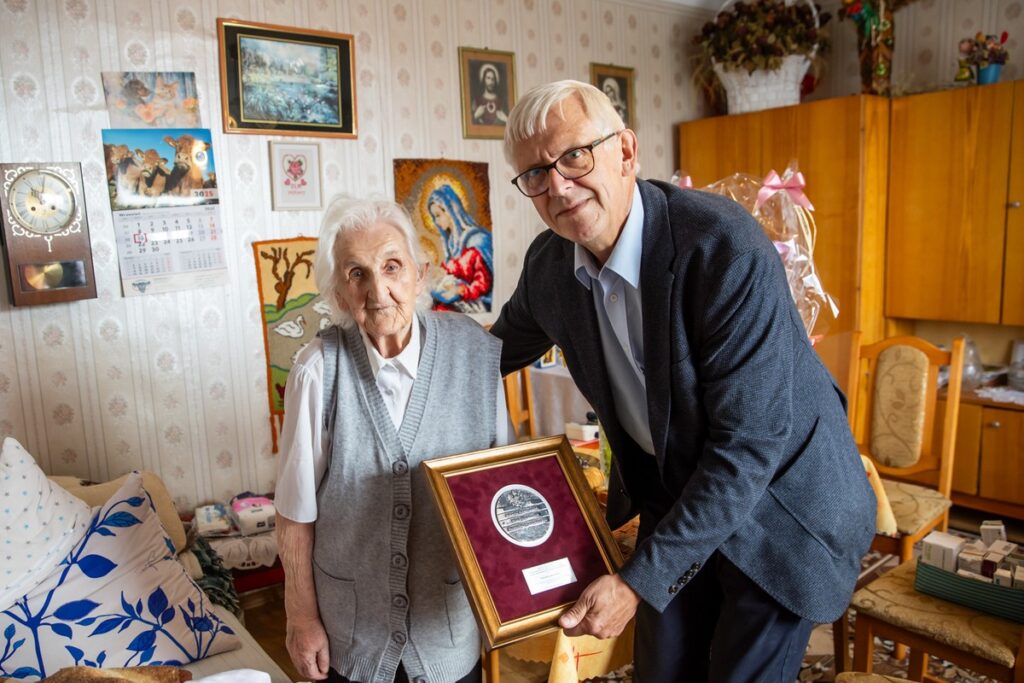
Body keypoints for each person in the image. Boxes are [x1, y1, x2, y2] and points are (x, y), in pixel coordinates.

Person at [491, 80, 876, 682]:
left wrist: (637, 583)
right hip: (678, 500)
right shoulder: (549, 268)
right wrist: (389, 337)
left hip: (781, 507)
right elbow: (490, 351)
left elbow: (746, 450)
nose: (558, 185)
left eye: (573, 156)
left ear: (626, 151)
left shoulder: (722, 248)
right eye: (536, 174)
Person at [276, 196, 511, 683]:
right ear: (339, 295)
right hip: (354, 636)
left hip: (445, 631)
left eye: (391, 266)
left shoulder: (477, 356)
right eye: (356, 274)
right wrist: (300, 618)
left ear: (420, 275)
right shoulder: (318, 369)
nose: (378, 290)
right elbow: (294, 515)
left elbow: (503, 490)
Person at [427, 184, 494, 313]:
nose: (436, 221)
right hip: (455, 299)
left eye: (438, 215)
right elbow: (450, 272)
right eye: (433, 217)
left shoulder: (476, 240)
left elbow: (483, 283)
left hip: (475, 302)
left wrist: (460, 290)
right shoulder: (451, 243)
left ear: (450, 210)